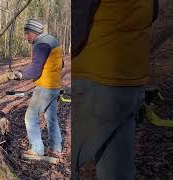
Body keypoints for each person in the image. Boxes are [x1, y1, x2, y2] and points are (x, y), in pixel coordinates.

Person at [72, 0, 158, 179]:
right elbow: (153, 12)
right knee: (117, 172)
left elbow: (77, 16)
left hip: (96, 77)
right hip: (130, 81)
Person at [12, 19, 63, 158]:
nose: (26, 37)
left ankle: (37, 150)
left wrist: (21, 74)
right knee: (51, 117)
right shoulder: (52, 40)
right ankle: (56, 148)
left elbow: (35, 69)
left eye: (27, 33)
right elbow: (61, 63)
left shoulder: (41, 45)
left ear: (34, 33)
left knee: (30, 117)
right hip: (55, 85)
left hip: (45, 87)